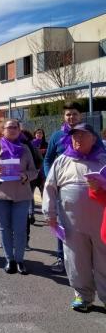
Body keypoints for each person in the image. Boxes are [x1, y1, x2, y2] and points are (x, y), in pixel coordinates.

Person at [43, 123, 106, 312]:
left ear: (93, 139)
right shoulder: (62, 160)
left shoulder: (103, 159)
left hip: (101, 222)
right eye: (74, 136)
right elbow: (50, 188)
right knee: (76, 259)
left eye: (82, 135)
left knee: (104, 259)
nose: (77, 139)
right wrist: (50, 215)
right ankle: (83, 296)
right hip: (72, 222)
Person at [0, 119, 38, 275]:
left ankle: (20, 260)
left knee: (20, 229)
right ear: (2, 130)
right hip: (0, 195)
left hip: (21, 195)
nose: (13, 129)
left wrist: (25, 176)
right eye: (10, 127)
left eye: (16, 127)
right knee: (4, 228)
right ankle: (9, 260)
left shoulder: (25, 148)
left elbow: (34, 171)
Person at [43, 102, 93, 273]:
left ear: (81, 116)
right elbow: (48, 159)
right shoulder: (56, 136)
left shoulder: (89, 134)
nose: (71, 117)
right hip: (63, 188)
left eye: (75, 114)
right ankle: (61, 258)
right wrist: (51, 177)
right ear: (63, 117)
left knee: (89, 224)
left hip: (88, 187)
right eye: (68, 114)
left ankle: (89, 260)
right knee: (63, 224)